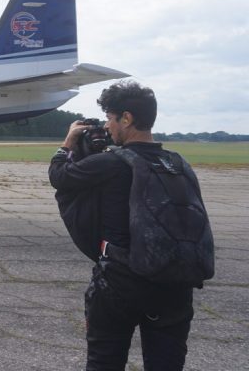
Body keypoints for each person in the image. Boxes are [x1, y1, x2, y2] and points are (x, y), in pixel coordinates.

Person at [48, 80, 205, 371]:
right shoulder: (178, 164)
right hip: (174, 283)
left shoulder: (111, 164)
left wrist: (68, 142)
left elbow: (60, 176)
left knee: (104, 362)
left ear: (127, 118)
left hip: (120, 282)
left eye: (109, 118)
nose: (107, 127)